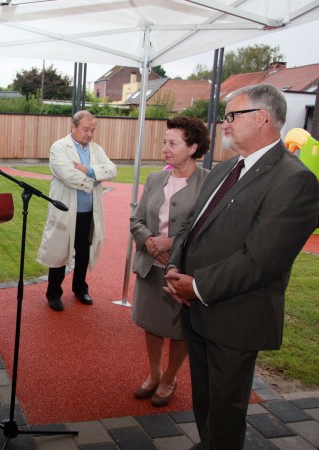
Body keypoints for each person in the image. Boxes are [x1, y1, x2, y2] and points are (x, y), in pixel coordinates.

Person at [164, 84, 319, 450]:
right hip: (196, 307)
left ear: (262, 118)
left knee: (226, 409)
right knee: (205, 398)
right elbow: (190, 225)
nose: (225, 124)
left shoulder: (295, 180)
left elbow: (260, 260)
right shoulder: (226, 168)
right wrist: (174, 267)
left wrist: (197, 286)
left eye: (232, 116)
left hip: (235, 317)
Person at [130, 116, 210, 407]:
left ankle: (170, 378)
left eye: (172, 143)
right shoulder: (155, 179)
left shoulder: (208, 182)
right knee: (152, 323)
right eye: (164, 142)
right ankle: (154, 374)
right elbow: (136, 218)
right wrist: (150, 242)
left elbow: (208, 228)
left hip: (184, 272)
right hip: (151, 267)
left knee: (180, 330)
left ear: (193, 147)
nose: (165, 148)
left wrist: (172, 243)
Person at [36, 110, 117, 311]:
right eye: (85, 129)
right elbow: (67, 175)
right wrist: (96, 178)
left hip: (89, 212)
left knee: (83, 252)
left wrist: (88, 170)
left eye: (93, 130)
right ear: (73, 127)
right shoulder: (59, 147)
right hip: (65, 210)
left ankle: (80, 288)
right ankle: (54, 293)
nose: (89, 134)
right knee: (59, 251)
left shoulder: (96, 149)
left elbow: (112, 169)